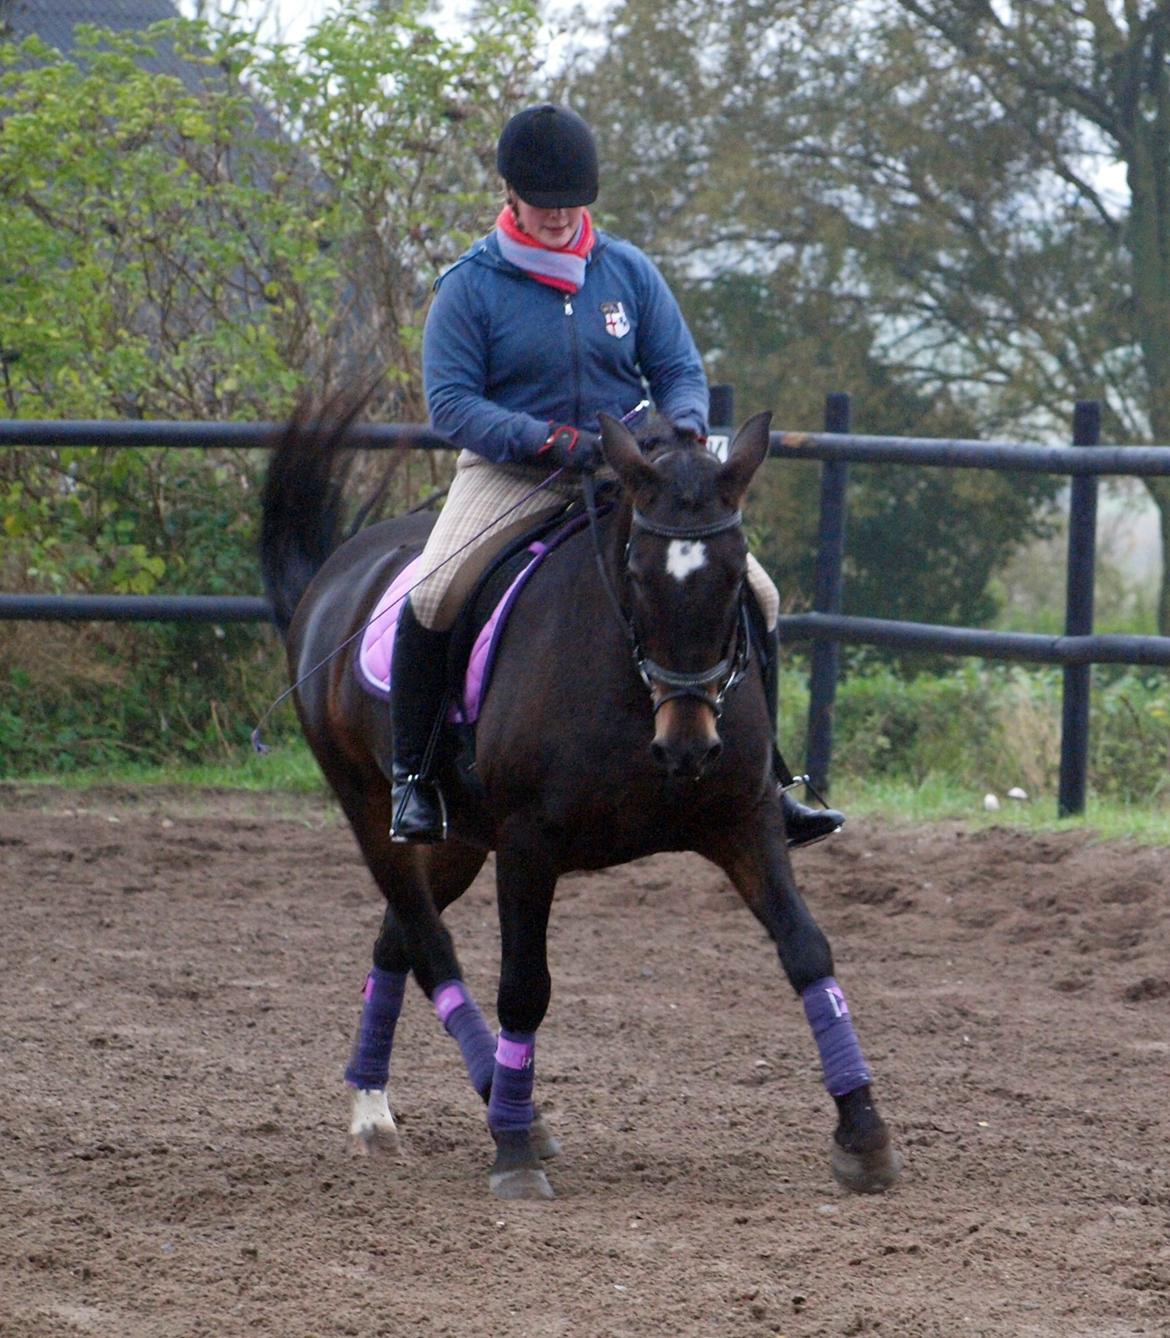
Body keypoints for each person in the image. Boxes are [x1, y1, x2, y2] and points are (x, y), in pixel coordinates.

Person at [388, 102, 844, 848]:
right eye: (544, 202)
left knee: (758, 593)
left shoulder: (626, 271)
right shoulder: (470, 286)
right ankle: (417, 777)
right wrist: (544, 437)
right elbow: (453, 404)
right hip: (513, 471)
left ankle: (768, 776)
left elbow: (678, 368)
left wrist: (684, 428)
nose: (559, 216)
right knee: (436, 592)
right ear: (510, 194)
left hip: (632, 470)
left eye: (572, 202)